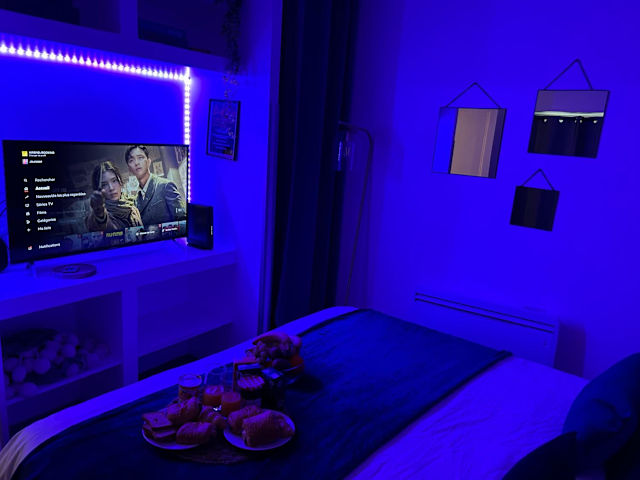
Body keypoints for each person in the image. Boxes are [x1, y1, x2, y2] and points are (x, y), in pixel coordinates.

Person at [125, 145, 186, 226]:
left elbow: (183, 221)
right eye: (131, 160)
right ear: (129, 168)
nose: (136, 163)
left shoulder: (165, 185)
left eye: (140, 157)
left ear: (148, 162)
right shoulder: (136, 200)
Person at [86, 162, 143, 232]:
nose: (111, 188)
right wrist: (99, 213)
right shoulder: (98, 215)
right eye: (104, 185)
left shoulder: (132, 207)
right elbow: (98, 224)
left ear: (120, 182)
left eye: (114, 181)